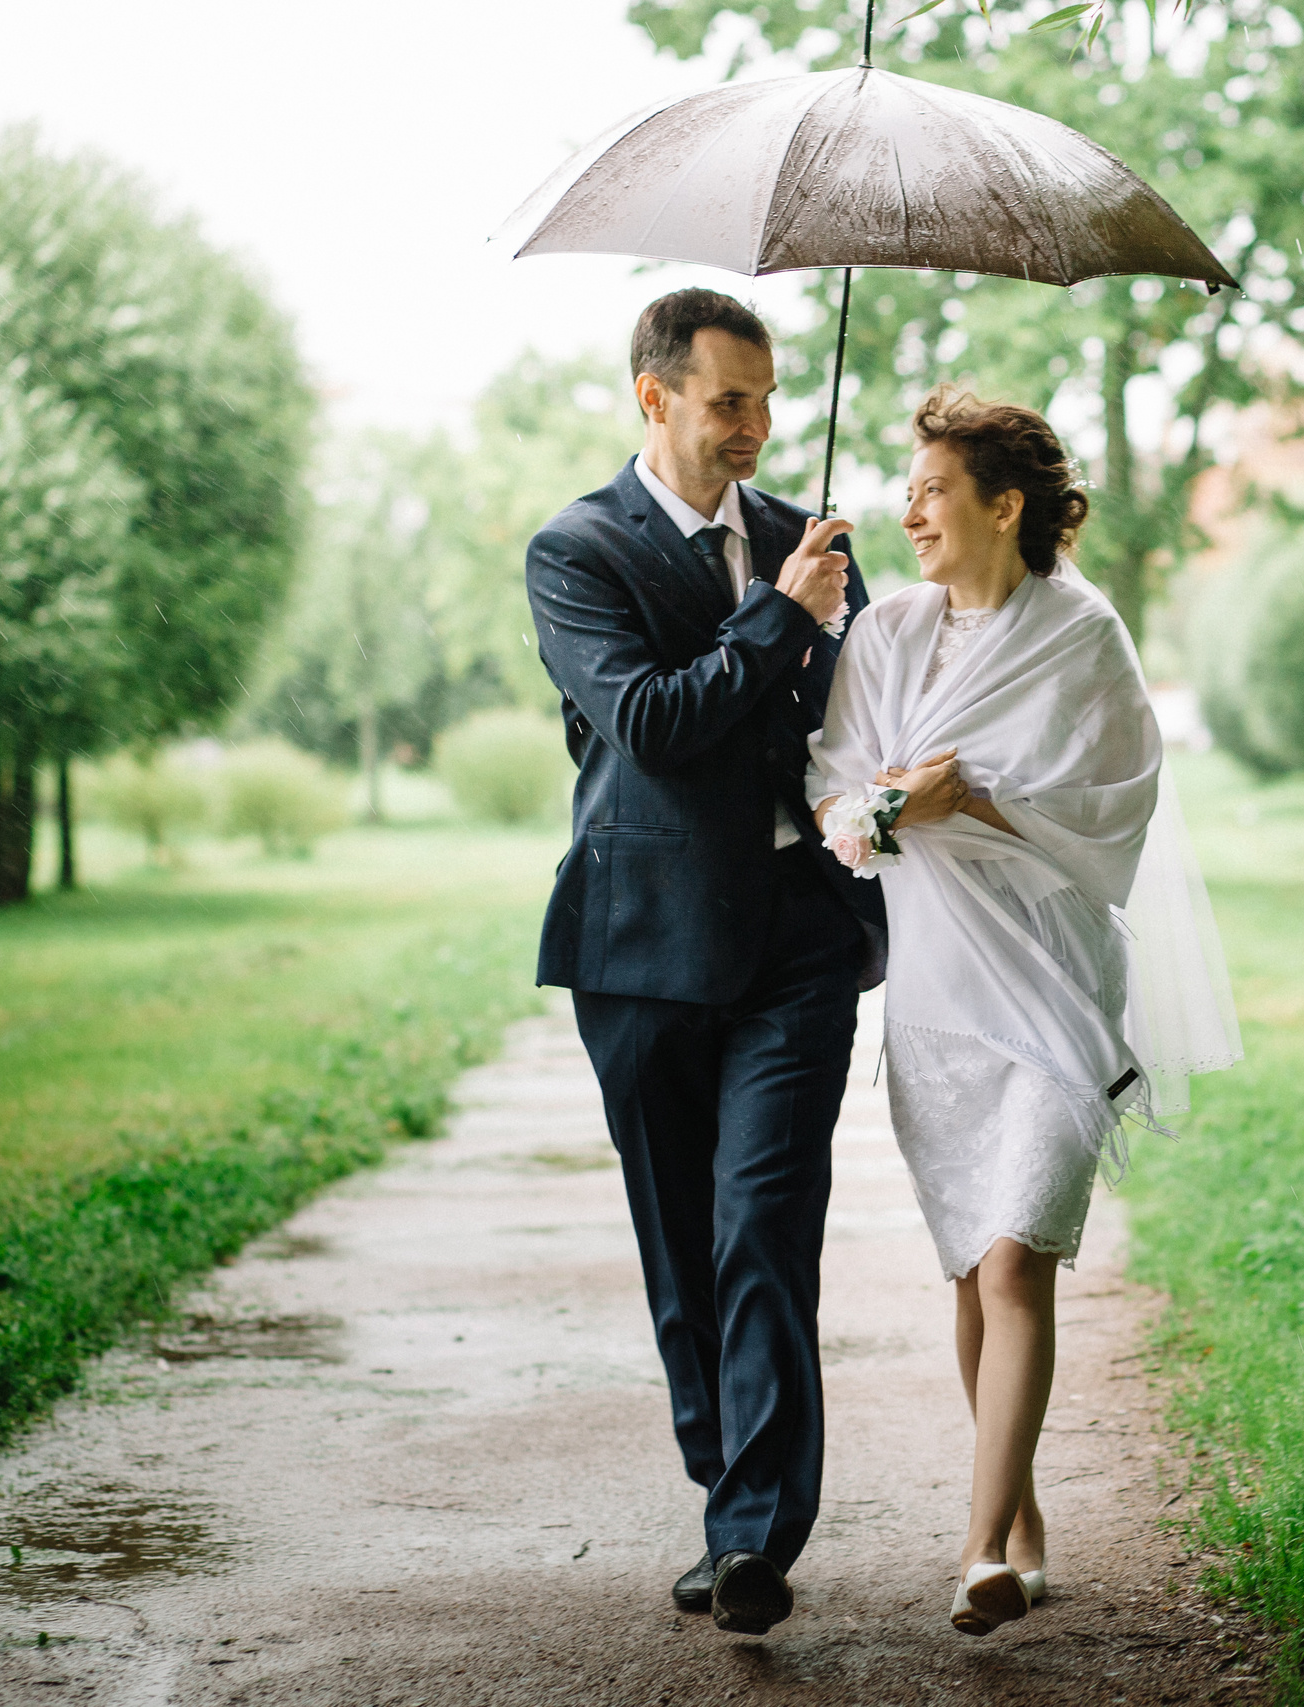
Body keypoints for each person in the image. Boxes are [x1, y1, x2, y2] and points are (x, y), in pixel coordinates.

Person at [805, 388, 1241, 1636]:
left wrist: (976, 802)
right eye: (907, 491)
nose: (909, 514)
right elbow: (835, 798)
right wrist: (895, 809)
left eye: (933, 492)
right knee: (969, 1266)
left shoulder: (1083, 635)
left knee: (1014, 1260)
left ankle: (978, 1547)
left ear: (1005, 507)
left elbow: (1115, 809)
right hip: (940, 993)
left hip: (1049, 984)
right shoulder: (885, 633)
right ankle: (1023, 1520)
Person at [525, 288, 883, 1637]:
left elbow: (863, 717)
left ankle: (751, 1538)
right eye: (730, 399)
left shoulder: (810, 540)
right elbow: (652, 724)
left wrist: (836, 627)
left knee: (763, 1225)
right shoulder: (577, 552)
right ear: (654, 394)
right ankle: (722, 1487)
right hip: (642, 946)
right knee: (683, 1242)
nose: (756, 426)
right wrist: (781, 619)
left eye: (768, 399)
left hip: (797, 938)